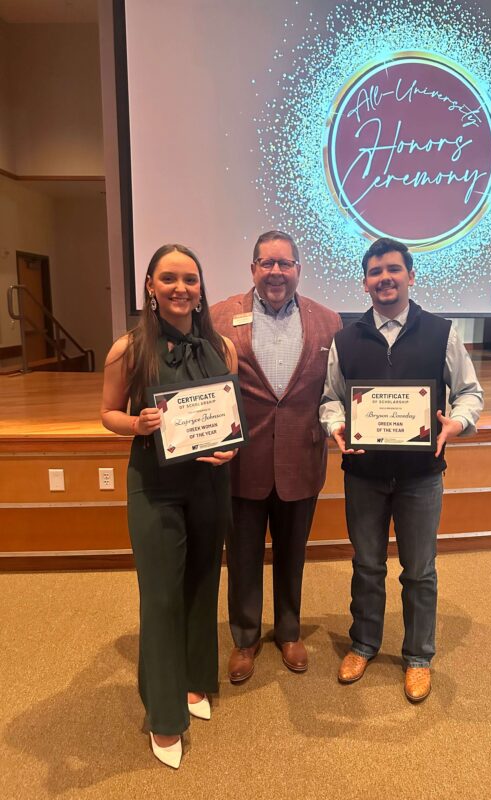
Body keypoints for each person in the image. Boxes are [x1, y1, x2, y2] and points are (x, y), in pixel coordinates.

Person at [319, 237, 483, 701]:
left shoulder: (441, 332)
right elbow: (331, 399)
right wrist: (336, 426)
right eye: (375, 271)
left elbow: (470, 392)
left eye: (393, 269)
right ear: (365, 282)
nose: (384, 278)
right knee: (366, 566)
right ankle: (364, 643)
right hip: (364, 476)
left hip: (421, 477)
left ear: (411, 275)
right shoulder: (345, 339)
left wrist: (459, 422)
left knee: (419, 570)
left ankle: (418, 656)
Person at [101, 244, 237, 768]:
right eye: (169, 279)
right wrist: (136, 424)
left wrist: (228, 444)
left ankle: (194, 681)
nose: (181, 288)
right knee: (160, 598)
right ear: (151, 289)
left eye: (190, 279)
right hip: (154, 486)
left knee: (203, 584)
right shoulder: (129, 350)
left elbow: (228, 415)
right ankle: (163, 715)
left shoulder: (221, 347)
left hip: (208, 486)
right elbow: (108, 413)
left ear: (201, 288)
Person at [211, 230, 341, 682]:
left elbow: (334, 392)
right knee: (242, 555)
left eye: (285, 263)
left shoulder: (328, 322)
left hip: (301, 460)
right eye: (266, 263)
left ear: (298, 270)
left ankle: (289, 631)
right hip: (241, 463)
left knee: (293, 554)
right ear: (252, 270)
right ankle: (245, 638)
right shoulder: (219, 317)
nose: (276, 272)